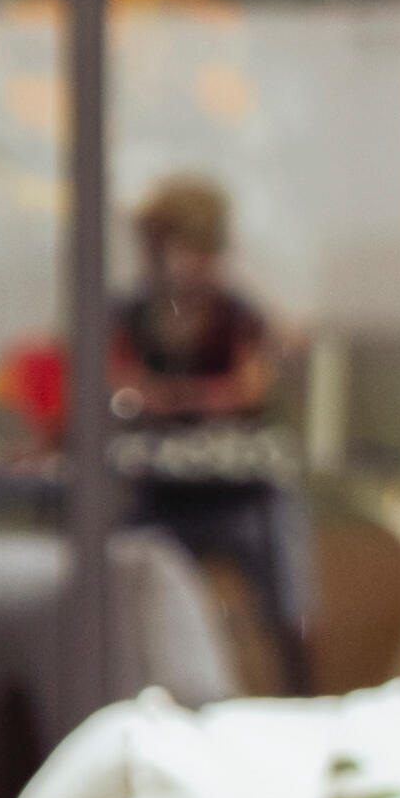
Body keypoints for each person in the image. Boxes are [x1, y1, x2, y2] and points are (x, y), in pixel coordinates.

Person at [106, 165, 308, 678]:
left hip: (236, 493)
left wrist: (173, 399)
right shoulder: (129, 314)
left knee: (284, 569)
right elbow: (119, 387)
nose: (200, 264)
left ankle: (300, 684)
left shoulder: (235, 313)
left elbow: (248, 388)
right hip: (156, 496)